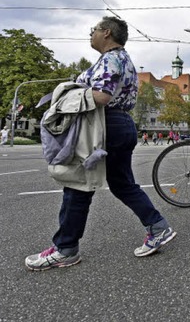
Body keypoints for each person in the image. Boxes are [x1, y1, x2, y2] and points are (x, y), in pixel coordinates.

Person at [24, 16, 176, 271]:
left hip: (103, 126)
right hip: (122, 125)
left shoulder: (111, 59)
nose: (90, 33)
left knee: (78, 185)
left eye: (93, 30)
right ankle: (158, 227)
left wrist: (65, 99)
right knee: (123, 184)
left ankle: (65, 249)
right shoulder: (123, 59)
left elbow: (102, 96)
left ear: (106, 33)